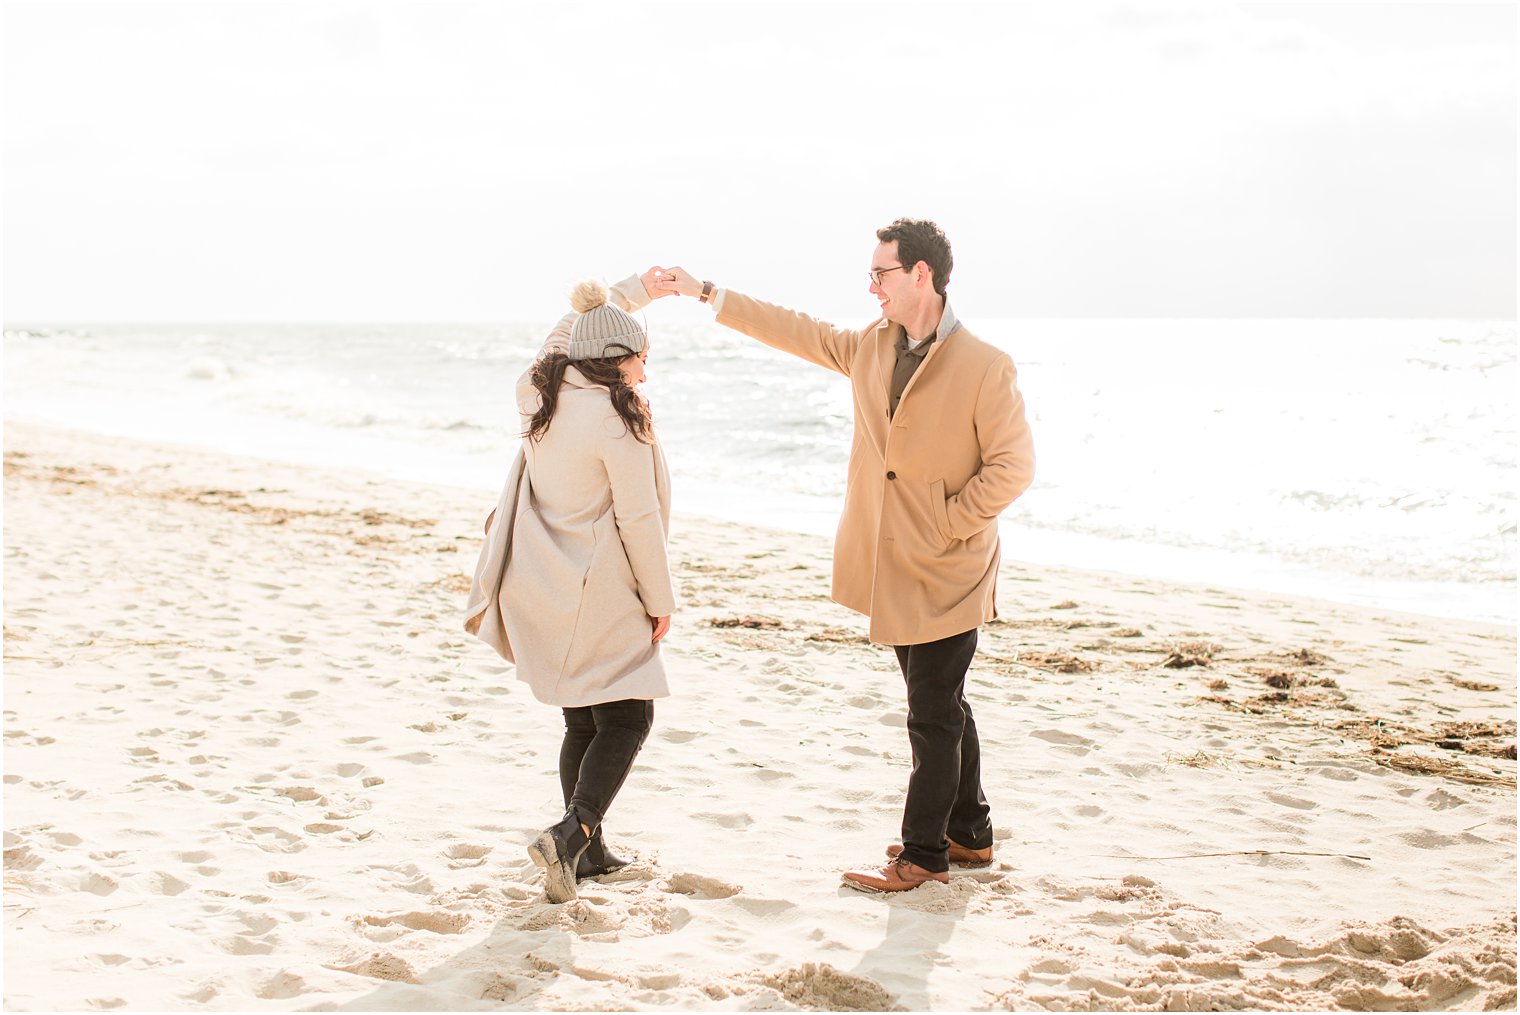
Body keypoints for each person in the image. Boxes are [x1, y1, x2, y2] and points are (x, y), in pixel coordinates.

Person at [655, 219, 1035, 893]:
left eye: (880, 273)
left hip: (950, 566)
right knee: (942, 701)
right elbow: (796, 328)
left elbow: (1012, 467)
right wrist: (705, 291)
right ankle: (970, 832)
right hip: (891, 563)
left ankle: (923, 855)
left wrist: (949, 522)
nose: (871, 287)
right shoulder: (870, 346)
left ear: (921, 274)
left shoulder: (985, 364)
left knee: (933, 710)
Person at [464, 269, 674, 904]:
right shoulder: (619, 422)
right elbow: (639, 522)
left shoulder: (538, 393)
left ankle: (590, 852)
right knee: (631, 716)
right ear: (615, 360)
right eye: (641, 354)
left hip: (541, 579)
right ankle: (572, 832)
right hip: (598, 587)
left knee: (584, 718)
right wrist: (660, 603)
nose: (646, 366)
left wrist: (627, 295)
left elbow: (562, 338)